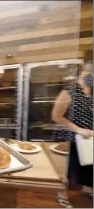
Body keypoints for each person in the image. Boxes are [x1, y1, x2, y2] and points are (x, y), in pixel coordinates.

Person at [51, 62, 93, 207]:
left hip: (88, 137)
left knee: (88, 165)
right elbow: (56, 117)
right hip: (69, 136)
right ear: (83, 73)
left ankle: (87, 188)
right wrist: (78, 129)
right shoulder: (69, 90)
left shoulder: (92, 91)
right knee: (67, 169)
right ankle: (61, 194)